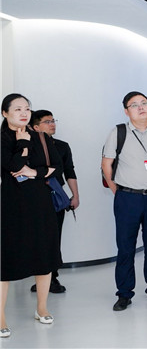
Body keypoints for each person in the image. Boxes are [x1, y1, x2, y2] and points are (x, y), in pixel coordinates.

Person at [101, 91, 147, 312]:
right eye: (134, 105)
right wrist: (118, 190)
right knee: (126, 247)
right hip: (127, 198)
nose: (141, 107)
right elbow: (106, 165)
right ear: (126, 111)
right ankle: (124, 294)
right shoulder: (118, 132)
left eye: (144, 103)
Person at [1, 94, 62, 337]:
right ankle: (1, 317)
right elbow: (13, 166)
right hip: (10, 205)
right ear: (5, 113)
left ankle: (42, 308)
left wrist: (34, 172)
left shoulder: (42, 137)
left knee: (43, 254)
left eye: (27, 108)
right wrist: (23, 144)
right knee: (5, 259)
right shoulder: (4, 138)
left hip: (40, 204)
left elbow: (56, 167)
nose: (24, 113)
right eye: (17, 109)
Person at [28, 110, 80, 294]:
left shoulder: (62, 146)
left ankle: (52, 277)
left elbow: (69, 171)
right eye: (47, 121)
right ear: (35, 127)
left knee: (53, 237)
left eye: (53, 121)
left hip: (54, 197)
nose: (53, 124)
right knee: (34, 238)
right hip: (31, 198)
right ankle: (39, 276)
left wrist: (75, 195)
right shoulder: (27, 146)